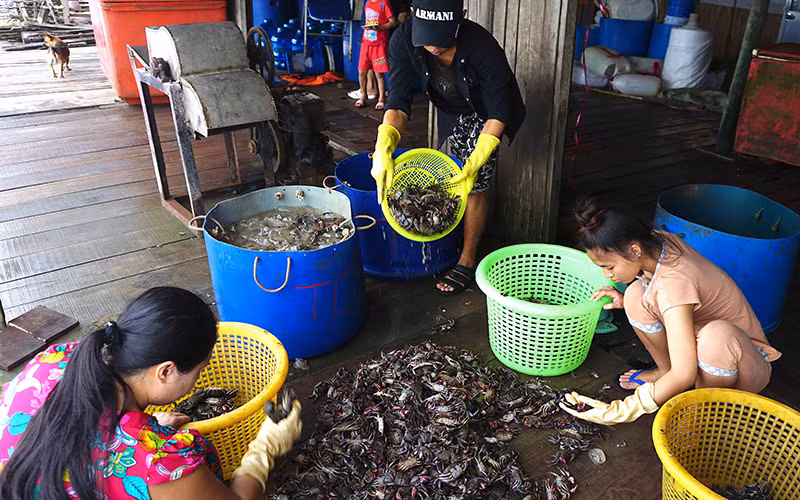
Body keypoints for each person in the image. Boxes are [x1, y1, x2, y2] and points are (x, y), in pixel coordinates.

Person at [0, 287, 302, 499]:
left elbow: (80, 430)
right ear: (165, 371)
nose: (198, 381)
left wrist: (142, 428)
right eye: (198, 371)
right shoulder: (157, 460)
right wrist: (264, 450)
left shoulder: (53, 361)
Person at [560, 198, 782, 425]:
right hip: (698, 341)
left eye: (609, 267)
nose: (607, 275)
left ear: (635, 250)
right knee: (635, 295)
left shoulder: (675, 281)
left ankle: (702, 410)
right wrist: (625, 301)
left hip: (742, 364)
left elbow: (685, 372)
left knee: (716, 338)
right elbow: (662, 292)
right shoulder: (656, 242)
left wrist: (625, 409)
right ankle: (666, 372)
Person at [371, 0, 526, 296]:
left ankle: (467, 259)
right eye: (426, 37)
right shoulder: (403, 38)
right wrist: (384, 143)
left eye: (440, 38)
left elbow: (498, 114)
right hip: (451, 107)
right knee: (450, 173)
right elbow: (398, 102)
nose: (432, 47)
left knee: (474, 183)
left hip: (487, 113)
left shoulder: (483, 47)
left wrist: (477, 159)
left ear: (461, 17)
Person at [356, 0, 398, 109]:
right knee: (362, 71)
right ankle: (363, 95)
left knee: (379, 73)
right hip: (366, 43)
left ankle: (381, 98)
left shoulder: (384, 3)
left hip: (379, 44)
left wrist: (380, 28)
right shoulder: (367, 3)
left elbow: (393, 22)